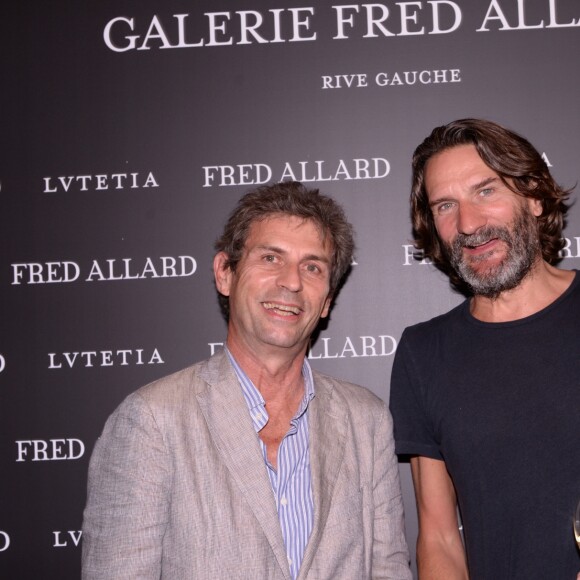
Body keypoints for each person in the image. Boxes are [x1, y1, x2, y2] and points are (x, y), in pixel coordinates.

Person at [82, 181, 412, 579]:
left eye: (312, 267)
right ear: (225, 273)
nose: (291, 282)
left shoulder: (367, 421)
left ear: (326, 301)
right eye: (271, 258)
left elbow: (388, 571)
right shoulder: (152, 421)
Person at [390, 119, 580, 579]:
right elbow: (438, 537)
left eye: (486, 191)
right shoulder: (423, 353)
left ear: (534, 196)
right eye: (446, 205)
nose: (469, 223)